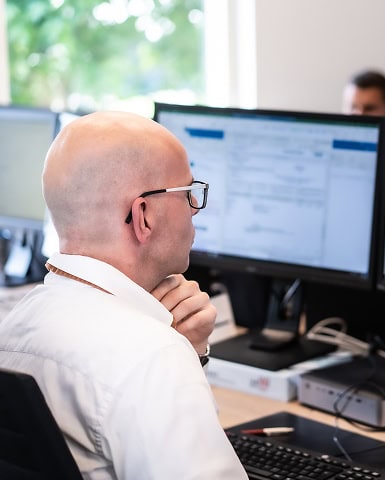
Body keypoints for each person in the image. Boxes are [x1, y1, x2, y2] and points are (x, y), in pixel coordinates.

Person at [0, 111, 248, 479]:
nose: (195, 210)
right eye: (188, 194)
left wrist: (189, 355)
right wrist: (172, 355)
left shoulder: (18, 323)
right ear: (143, 215)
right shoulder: (153, 358)